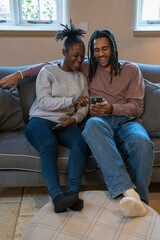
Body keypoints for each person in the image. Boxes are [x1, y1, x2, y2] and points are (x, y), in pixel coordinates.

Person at [0, 29, 154, 218]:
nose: (101, 54)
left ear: (113, 48)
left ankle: (140, 202)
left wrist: (110, 109)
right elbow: (51, 65)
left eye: (105, 49)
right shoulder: (87, 66)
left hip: (127, 121)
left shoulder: (131, 70)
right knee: (90, 127)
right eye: (96, 50)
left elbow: (137, 107)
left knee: (143, 142)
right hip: (98, 122)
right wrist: (19, 74)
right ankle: (126, 192)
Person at [17, 21, 90, 213]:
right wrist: (72, 100)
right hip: (40, 119)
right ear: (64, 52)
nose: (79, 60)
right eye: (75, 55)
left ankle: (72, 193)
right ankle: (57, 196)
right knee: (49, 146)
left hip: (65, 122)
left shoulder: (81, 78)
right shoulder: (47, 72)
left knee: (81, 143)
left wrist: (75, 119)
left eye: (82, 56)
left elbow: (85, 105)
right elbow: (43, 102)